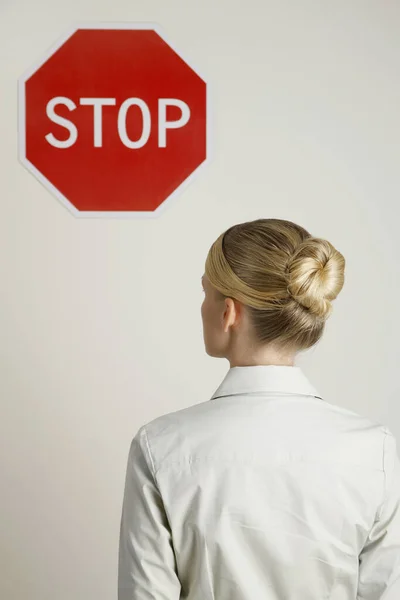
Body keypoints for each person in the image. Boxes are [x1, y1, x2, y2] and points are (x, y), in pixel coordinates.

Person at [118, 218, 400, 599]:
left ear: (228, 313)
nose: (202, 307)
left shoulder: (160, 446)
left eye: (206, 292)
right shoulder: (375, 449)